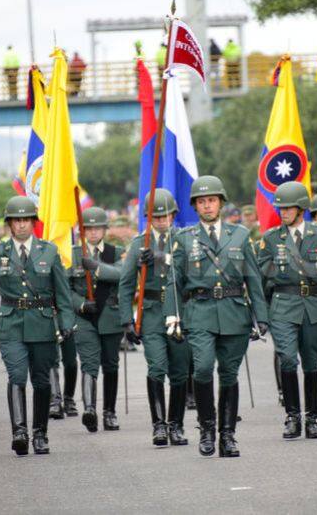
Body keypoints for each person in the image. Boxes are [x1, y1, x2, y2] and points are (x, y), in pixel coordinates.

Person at [164, 175, 269, 457]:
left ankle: (228, 435)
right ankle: (207, 429)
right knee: (201, 368)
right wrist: (172, 315)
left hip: (235, 312)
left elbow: (253, 279)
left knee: (229, 374)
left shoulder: (240, 235)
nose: (207, 206)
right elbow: (173, 282)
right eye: (201, 201)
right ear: (195, 207)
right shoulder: (183, 239)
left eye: (211, 200)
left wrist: (262, 317)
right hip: (199, 312)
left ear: (220, 203)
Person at [0, 196, 75, 455]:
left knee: (42, 381)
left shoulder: (49, 251)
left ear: (34, 222)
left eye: (26, 220)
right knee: (17, 374)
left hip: (42, 323)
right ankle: (19, 431)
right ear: (9, 224)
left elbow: (62, 293)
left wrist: (66, 322)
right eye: (16, 221)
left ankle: (40, 433)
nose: (21, 225)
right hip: (10, 323)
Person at [257, 181, 317, 438]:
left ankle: (313, 419)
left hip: (313, 306)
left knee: (312, 363)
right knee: (288, 358)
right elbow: (259, 278)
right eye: (280, 208)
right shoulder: (271, 238)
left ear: (301, 208)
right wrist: (258, 315)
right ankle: (292, 417)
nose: (283, 212)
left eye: (288, 208)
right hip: (283, 305)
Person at [119, 189, 191, 446]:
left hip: (179, 313)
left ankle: (177, 426)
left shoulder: (183, 241)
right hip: (150, 314)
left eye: (165, 215)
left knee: (181, 372)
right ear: (147, 217)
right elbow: (126, 283)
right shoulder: (140, 243)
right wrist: (126, 320)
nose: (161, 220)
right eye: (155, 216)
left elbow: (187, 269)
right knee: (157, 366)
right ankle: (159, 425)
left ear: (173, 215)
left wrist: (162, 257)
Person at [68, 207, 124, 433]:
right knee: (89, 363)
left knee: (110, 364)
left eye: (97, 228)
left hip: (110, 316)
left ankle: (109, 412)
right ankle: (90, 410)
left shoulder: (116, 252)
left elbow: (121, 274)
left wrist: (96, 267)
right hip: (84, 317)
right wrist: (79, 303)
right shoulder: (72, 254)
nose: (92, 233)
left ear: (104, 230)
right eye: (88, 228)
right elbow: (64, 288)